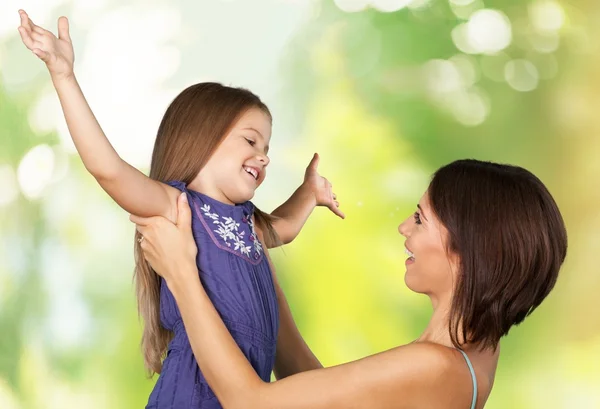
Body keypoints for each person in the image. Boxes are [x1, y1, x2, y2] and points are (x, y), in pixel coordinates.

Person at [17, 9, 345, 409]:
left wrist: (309, 193)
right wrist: (63, 76)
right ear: (202, 139)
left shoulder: (247, 226)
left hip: (245, 391)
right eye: (251, 141)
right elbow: (108, 170)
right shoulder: (177, 207)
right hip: (191, 393)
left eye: (267, 148)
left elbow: (286, 227)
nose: (263, 156)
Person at [131, 159, 568, 409]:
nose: (404, 228)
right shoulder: (471, 356)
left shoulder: (437, 366)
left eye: (419, 218)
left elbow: (251, 405)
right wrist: (258, 266)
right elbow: (322, 396)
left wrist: (183, 273)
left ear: (469, 249)